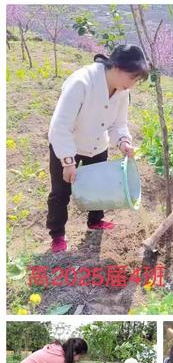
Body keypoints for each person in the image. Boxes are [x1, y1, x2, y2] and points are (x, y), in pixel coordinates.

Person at [47, 44, 148, 252]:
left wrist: (123, 142)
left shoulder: (121, 91)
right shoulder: (81, 82)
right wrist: (67, 162)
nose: (134, 84)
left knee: (99, 185)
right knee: (61, 192)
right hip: (69, 144)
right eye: (133, 78)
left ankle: (95, 220)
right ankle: (57, 234)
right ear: (118, 68)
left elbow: (118, 124)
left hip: (97, 144)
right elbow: (60, 126)